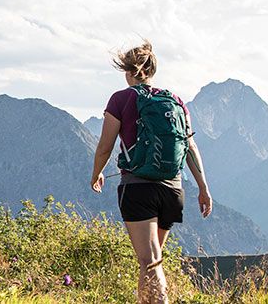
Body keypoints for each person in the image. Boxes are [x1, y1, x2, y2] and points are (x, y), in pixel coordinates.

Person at [89, 41, 211, 304]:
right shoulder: (175, 101)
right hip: (173, 190)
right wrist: (203, 187)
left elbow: (105, 146)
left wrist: (96, 172)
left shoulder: (121, 99)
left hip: (139, 187)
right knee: (149, 261)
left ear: (128, 70)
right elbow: (190, 145)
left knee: (151, 261)